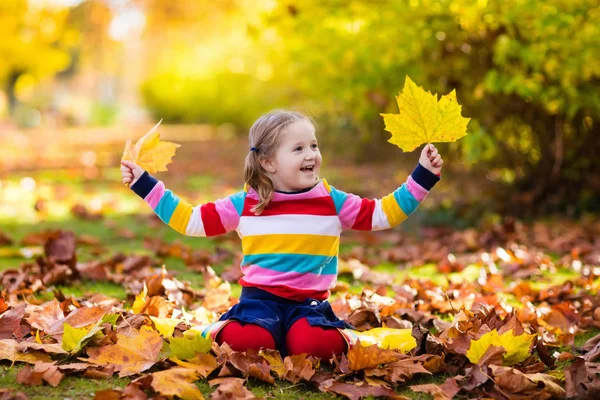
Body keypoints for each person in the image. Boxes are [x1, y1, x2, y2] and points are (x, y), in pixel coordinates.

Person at [120, 109, 443, 359]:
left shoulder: (332, 202)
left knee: (316, 346)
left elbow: (382, 214)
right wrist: (145, 185)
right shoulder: (247, 203)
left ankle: (313, 336)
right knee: (248, 342)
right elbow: (191, 221)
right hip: (260, 302)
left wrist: (422, 177)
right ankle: (225, 332)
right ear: (268, 162)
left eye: (314, 146)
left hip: (310, 305)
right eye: (299, 148)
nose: (311, 155)